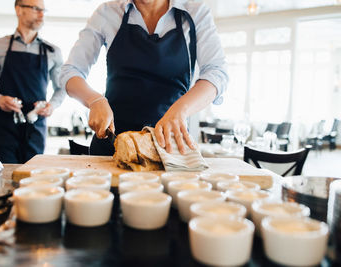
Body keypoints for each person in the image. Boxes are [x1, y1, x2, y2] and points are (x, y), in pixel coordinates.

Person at [60, 0, 228, 156]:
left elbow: (216, 73)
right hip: (113, 144)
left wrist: (181, 110)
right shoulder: (107, 12)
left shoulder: (195, 12)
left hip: (169, 146)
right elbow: (71, 71)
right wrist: (94, 100)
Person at [0, 0, 65, 163]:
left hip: (36, 127)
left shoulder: (53, 52)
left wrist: (52, 106)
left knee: (32, 179)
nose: (42, 14)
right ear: (19, 9)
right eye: (36, 9)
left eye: (44, 10)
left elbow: (61, 88)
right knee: (3, 177)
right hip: (4, 127)